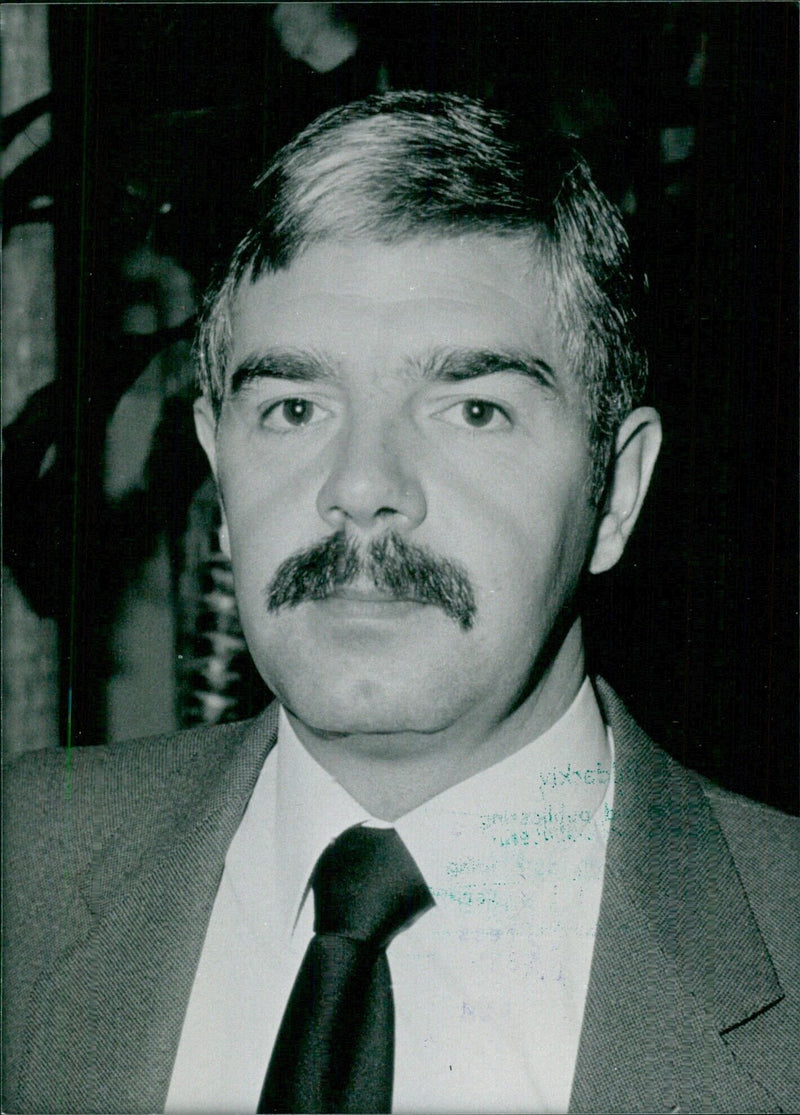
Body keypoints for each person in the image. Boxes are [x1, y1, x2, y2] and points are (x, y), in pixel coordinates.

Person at [3, 92, 798, 1115]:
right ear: (219, 471)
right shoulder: (26, 864)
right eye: (294, 407)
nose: (362, 482)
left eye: (472, 408)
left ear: (618, 491)